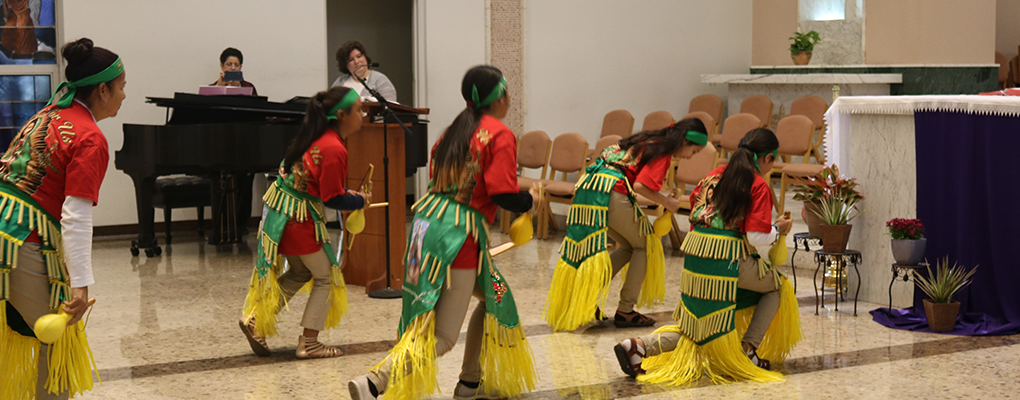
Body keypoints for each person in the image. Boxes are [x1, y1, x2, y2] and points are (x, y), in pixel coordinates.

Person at [348, 65, 537, 400]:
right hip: (458, 234)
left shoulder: (452, 131)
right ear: (501, 97)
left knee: (492, 298)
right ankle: (376, 381)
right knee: (444, 337)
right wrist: (529, 201)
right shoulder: (500, 133)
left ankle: (469, 383)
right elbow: (502, 193)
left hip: (426, 226)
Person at [613, 128, 802, 386]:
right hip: (725, 259)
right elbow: (756, 236)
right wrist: (778, 229)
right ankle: (748, 349)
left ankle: (638, 346)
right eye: (773, 160)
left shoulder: (714, 175)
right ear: (768, 158)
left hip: (695, 257)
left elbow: (696, 209)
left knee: (698, 325)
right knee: (777, 288)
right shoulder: (757, 184)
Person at [0, 37, 125, 400]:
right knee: (59, 351)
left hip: (9, 225)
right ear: (102, 90)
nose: (123, 95)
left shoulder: (49, 113)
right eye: (121, 87)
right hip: (18, 237)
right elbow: (76, 215)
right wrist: (81, 287)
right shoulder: (89, 138)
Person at [238, 86, 370, 359]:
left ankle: (255, 320)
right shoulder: (334, 148)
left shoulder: (314, 136)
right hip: (299, 220)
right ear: (342, 115)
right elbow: (332, 198)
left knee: (300, 273)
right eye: (359, 109)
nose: (363, 114)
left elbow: (319, 186)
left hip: (280, 215)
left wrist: (350, 196)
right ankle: (309, 343)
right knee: (326, 279)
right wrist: (360, 201)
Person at [544, 119, 708, 332]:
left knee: (624, 247)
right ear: (684, 141)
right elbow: (640, 186)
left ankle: (584, 298)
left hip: (589, 188)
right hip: (610, 190)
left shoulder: (647, 138)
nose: (689, 157)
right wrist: (666, 201)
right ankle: (626, 311)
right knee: (644, 246)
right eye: (693, 151)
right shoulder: (663, 150)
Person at [331, 40, 397, 103]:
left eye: (359, 56)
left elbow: (390, 105)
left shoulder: (380, 79)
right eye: (351, 60)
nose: (356, 62)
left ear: (365, 57)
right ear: (345, 65)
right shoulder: (340, 82)